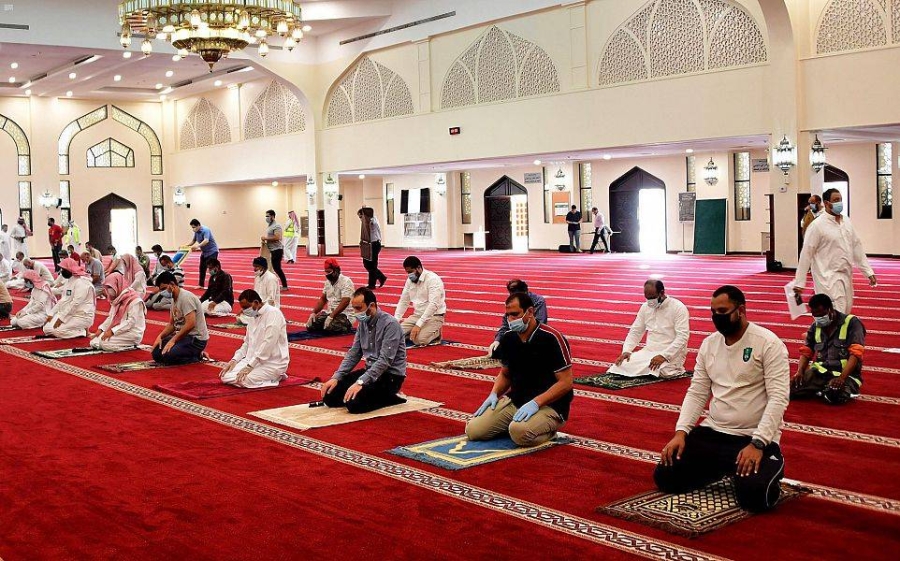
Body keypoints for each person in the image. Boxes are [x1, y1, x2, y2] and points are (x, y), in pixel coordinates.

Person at [654, 285, 790, 513]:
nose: (717, 317)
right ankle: (724, 468)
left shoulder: (768, 343)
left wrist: (758, 443)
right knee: (666, 476)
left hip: (752, 437)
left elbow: (778, 398)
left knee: (755, 497)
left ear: (741, 310)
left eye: (723, 311)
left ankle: (766, 466)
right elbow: (697, 392)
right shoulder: (709, 344)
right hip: (714, 432)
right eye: (713, 312)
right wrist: (681, 432)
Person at [466, 292, 574, 447]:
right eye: (508, 315)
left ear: (529, 312)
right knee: (474, 430)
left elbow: (566, 383)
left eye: (515, 314)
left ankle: (550, 432)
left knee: (520, 433)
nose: (511, 320)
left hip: (550, 405)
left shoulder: (552, 338)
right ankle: (517, 424)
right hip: (518, 400)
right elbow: (505, 374)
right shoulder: (509, 338)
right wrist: (494, 394)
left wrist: (536, 403)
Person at [320, 287, 407, 413]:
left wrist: (360, 382)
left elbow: (384, 361)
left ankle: (390, 397)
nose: (356, 313)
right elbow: (354, 353)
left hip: (389, 376)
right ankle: (378, 394)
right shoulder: (363, 324)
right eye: (354, 308)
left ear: (372, 306)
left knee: (354, 403)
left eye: (359, 308)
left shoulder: (390, 324)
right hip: (370, 371)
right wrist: (337, 377)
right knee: (330, 396)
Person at [794, 188, 876, 313]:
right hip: (827, 278)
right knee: (836, 313)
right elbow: (806, 254)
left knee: (846, 310)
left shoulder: (846, 222)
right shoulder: (817, 225)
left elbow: (856, 247)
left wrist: (868, 272)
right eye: (836, 200)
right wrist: (799, 282)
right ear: (827, 203)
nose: (839, 203)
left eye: (840, 199)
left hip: (846, 275)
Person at [791, 293, 865, 405]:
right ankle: (820, 389)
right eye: (815, 315)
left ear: (830, 309)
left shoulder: (852, 323)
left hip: (846, 374)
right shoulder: (815, 326)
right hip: (820, 372)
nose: (819, 318)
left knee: (835, 395)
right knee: (790, 388)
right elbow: (806, 351)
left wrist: (841, 378)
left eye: (821, 315)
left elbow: (856, 353)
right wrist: (800, 372)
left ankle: (825, 390)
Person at [609, 280, 690, 379]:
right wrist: (627, 350)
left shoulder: (678, 307)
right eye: (647, 298)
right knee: (622, 365)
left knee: (660, 370)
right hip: (649, 351)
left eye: (652, 298)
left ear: (662, 293)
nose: (650, 301)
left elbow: (682, 337)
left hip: (671, 354)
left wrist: (664, 356)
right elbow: (636, 331)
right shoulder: (645, 307)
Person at [219, 289, 289, 388]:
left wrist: (250, 366)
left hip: (272, 363)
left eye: (246, 307)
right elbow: (247, 343)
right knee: (225, 376)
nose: (244, 311)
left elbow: (268, 343)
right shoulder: (252, 317)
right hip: (252, 360)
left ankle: (275, 377)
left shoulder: (274, 314)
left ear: (256, 303)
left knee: (244, 380)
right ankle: (262, 376)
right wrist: (234, 360)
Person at [150, 271, 209, 365]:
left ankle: (197, 355)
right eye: (161, 290)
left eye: (164, 289)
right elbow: (172, 324)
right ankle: (188, 352)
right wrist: (160, 337)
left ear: (172, 284)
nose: (162, 293)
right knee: (156, 353)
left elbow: (190, 324)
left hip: (195, 339)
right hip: (183, 337)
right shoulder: (174, 299)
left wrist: (173, 340)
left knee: (169, 356)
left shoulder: (186, 298)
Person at [488, 279, 548, 358]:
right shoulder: (512, 302)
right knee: (497, 350)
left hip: (534, 336)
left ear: (525, 292)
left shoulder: (538, 301)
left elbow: (540, 324)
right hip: (517, 334)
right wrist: (497, 340)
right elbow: (505, 325)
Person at [394, 256, 445, 346]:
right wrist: (395, 321)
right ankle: (414, 331)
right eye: (407, 272)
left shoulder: (433, 279)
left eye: (411, 272)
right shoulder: (410, 281)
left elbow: (433, 305)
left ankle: (436, 333)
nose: (409, 275)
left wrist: (418, 325)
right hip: (417, 315)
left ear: (419, 268)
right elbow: (404, 301)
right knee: (394, 334)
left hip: (434, 316)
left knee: (419, 340)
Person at [88, 272, 146, 351]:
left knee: (104, 344)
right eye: (107, 287)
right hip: (119, 330)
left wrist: (112, 332)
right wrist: (101, 330)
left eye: (110, 287)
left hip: (132, 332)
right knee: (94, 342)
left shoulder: (134, 300)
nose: (109, 290)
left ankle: (130, 346)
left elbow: (131, 322)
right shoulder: (117, 299)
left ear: (117, 284)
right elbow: (111, 317)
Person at [42, 257, 96, 339]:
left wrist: (62, 318)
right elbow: (63, 300)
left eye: (63, 269)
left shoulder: (82, 282)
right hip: (69, 313)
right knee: (47, 329)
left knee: (57, 331)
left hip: (81, 315)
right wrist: (51, 314)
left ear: (70, 269)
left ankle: (82, 331)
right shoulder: (70, 281)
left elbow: (76, 303)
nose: (62, 271)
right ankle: (72, 329)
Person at [307, 257, 354, 334]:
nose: (327, 275)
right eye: (326, 272)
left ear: (336, 270)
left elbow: (345, 301)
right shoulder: (327, 282)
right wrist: (314, 313)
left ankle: (346, 327)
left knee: (330, 327)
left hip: (344, 315)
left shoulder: (346, 281)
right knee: (311, 326)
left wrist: (331, 316)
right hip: (329, 313)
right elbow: (323, 299)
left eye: (329, 272)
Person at [238, 257, 280, 325]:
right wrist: (247, 307)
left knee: (247, 318)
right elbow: (254, 295)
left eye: (257, 266)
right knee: (241, 315)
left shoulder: (271, 278)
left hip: (269, 307)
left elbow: (271, 299)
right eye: (254, 266)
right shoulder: (257, 277)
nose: (254, 269)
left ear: (263, 267)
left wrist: (260, 308)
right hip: (258, 306)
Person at [358, 207, 387, 289]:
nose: (360, 219)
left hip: (374, 245)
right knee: (366, 264)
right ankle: (381, 277)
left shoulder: (372, 221)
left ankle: (372, 285)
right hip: (368, 245)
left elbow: (371, 221)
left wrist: (365, 211)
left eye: (361, 217)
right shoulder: (366, 223)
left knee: (372, 265)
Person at [186, 218, 219, 288]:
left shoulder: (206, 230)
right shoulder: (196, 232)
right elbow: (193, 241)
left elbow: (206, 240)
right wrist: (186, 246)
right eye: (192, 227)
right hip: (204, 252)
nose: (193, 229)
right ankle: (201, 285)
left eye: (194, 227)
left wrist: (197, 246)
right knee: (202, 268)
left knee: (212, 269)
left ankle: (216, 285)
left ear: (198, 225)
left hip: (212, 251)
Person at [262, 209, 289, 290]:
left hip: (277, 250)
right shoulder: (270, 226)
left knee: (277, 268)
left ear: (272, 216)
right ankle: (276, 285)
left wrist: (265, 238)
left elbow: (278, 237)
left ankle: (284, 286)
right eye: (266, 216)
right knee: (275, 268)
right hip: (272, 250)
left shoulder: (277, 226)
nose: (266, 218)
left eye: (268, 216)